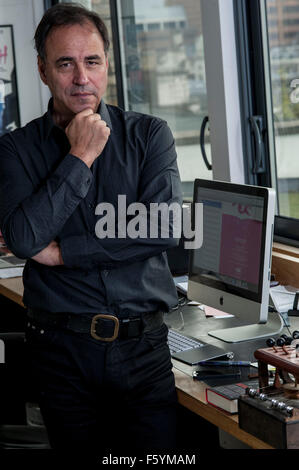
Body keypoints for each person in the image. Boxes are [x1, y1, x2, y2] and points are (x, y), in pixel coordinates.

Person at [0, 3, 182, 452]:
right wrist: (79, 156)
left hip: (145, 352)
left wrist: (65, 251)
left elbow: (162, 227)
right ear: (43, 71)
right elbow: (25, 239)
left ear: (107, 65)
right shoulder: (15, 150)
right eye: (66, 63)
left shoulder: (149, 136)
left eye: (92, 61)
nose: (82, 77)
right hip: (62, 354)